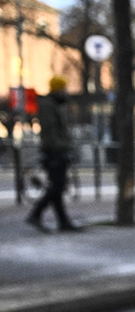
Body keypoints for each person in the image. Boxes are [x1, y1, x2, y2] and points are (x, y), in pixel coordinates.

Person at [26, 75, 81, 232]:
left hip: (55, 150)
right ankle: (36, 214)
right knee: (57, 186)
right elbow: (51, 131)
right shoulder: (49, 106)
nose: (65, 92)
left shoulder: (53, 105)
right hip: (54, 152)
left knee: (57, 187)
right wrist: (60, 148)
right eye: (63, 89)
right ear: (57, 90)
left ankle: (63, 221)